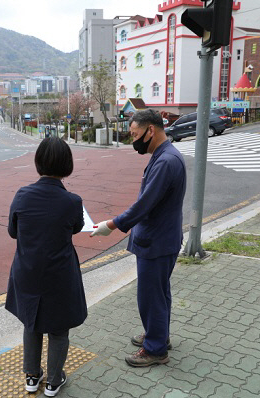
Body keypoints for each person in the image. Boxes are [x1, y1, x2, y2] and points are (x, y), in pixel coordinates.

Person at [90, 109, 186, 367]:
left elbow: (144, 205)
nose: (133, 139)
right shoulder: (164, 155)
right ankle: (158, 336)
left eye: (134, 134)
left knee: (151, 296)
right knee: (159, 293)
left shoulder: (166, 161)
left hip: (157, 242)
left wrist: (111, 225)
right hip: (160, 239)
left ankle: (155, 349)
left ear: (150, 130)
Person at [5, 137, 86, 396]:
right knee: (59, 329)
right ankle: (53, 381)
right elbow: (77, 227)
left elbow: (13, 232)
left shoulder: (22, 195)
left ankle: (32, 376)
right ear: (67, 164)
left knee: (32, 324)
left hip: (27, 272)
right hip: (59, 275)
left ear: (38, 162)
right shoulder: (72, 201)